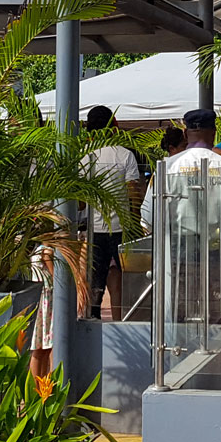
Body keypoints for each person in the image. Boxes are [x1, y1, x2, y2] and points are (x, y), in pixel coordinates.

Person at [140, 110, 221, 324]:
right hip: (218, 251)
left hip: (179, 251)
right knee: (217, 310)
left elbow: (149, 216)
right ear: (214, 132)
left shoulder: (167, 168)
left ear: (185, 132)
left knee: (180, 308)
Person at [80, 107, 140, 321]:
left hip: (95, 230)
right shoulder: (125, 155)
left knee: (94, 283)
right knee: (118, 280)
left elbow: (79, 203)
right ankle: (118, 322)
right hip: (121, 228)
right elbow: (134, 194)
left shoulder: (85, 158)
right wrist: (134, 223)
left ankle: (93, 322)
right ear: (114, 126)